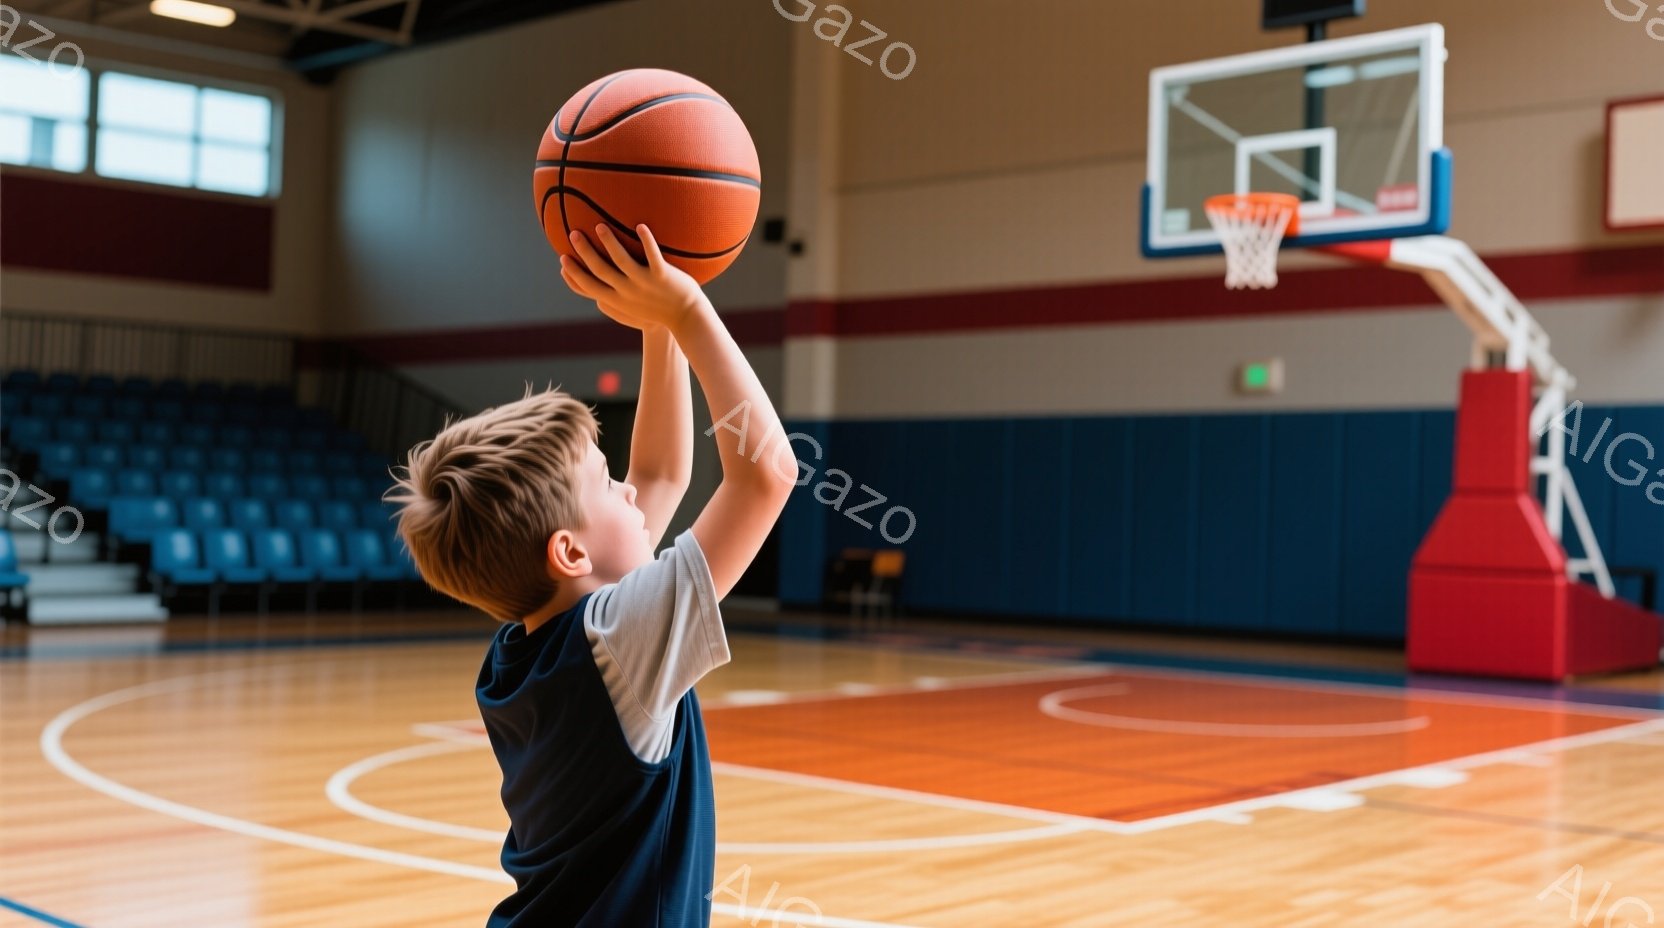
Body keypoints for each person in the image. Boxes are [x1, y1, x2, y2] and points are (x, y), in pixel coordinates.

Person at [387, 222, 795, 926]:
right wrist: (689, 312)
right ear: (570, 553)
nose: (630, 492)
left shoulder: (520, 653)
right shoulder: (615, 639)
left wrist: (656, 326)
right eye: (608, 484)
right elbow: (768, 474)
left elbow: (663, 473)